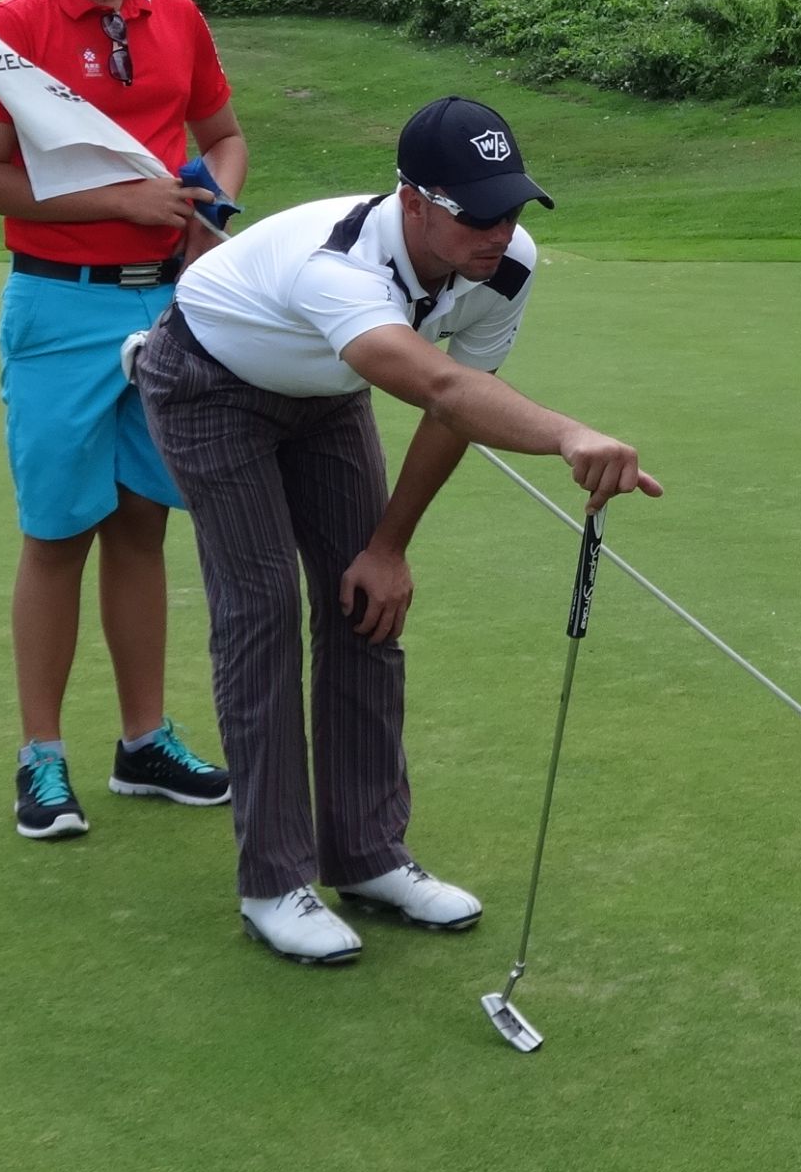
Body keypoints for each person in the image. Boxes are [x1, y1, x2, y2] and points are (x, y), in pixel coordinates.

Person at [134, 97, 661, 964]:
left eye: (511, 207)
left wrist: (389, 547)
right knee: (262, 608)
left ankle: (369, 852)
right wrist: (569, 434)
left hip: (326, 392)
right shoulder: (337, 266)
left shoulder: (507, 265)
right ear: (412, 202)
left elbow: (455, 413)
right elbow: (443, 388)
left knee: (367, 607)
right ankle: (273, 879)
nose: (500, 231)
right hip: (208, 381)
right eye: (477, 213)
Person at [0, 0, 246, 841]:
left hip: (164, 304)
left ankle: (143, 741)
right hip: (58, 304)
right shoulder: (14, 25)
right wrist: (124, 201)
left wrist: (212, 209)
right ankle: (41, 756)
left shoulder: (179, 17)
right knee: (55, 532)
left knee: (141, 524)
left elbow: (223, 137)